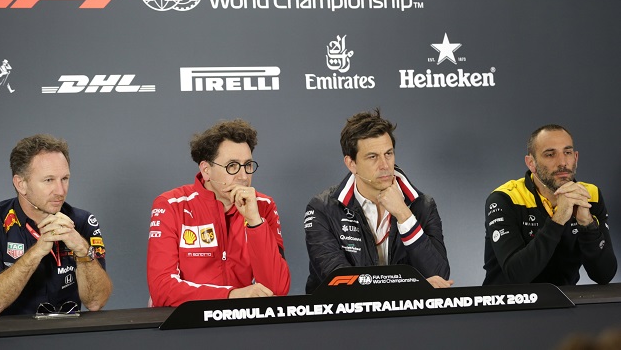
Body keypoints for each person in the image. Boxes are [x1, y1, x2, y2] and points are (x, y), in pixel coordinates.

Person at [304, 109, 452, 293]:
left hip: (405, 316)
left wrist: (405, 216)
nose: (384, 165)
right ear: (351, 164)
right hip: (342, 317)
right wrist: (412, 283)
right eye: (372, 157)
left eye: (388, 154)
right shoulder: (322, 209)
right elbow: (339, 283)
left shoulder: (423, 205)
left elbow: (440, 276)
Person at [147, 119, 290, 307]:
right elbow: (162, 289)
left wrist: (254, 221)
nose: (243, 176)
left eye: (248, 165)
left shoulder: (263, 205)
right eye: (232, 166)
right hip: (188, 325)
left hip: (246, 323)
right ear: (206, 170)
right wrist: (231, 295)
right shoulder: (171, 205)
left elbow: (277, 289)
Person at [0, 134, 112, 317]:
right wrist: (36, 252)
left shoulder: (83, 222)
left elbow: (95, 302)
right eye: (49, 180)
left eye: (65, 179)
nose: (60, 191)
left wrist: (83, 251)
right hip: (4, 340)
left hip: (62, 338)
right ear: (21, 184)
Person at [483, 124, 617, 285]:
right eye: (550, 154)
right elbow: (516, 275)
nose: (562, 162)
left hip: (565, 304)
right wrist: (558, 219)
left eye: (567, 153)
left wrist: (587, 224)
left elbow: (604, 275)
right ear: (531, 163)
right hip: (509, 305)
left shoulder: (589, 195)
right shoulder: (505, 198)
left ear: (576, 157)